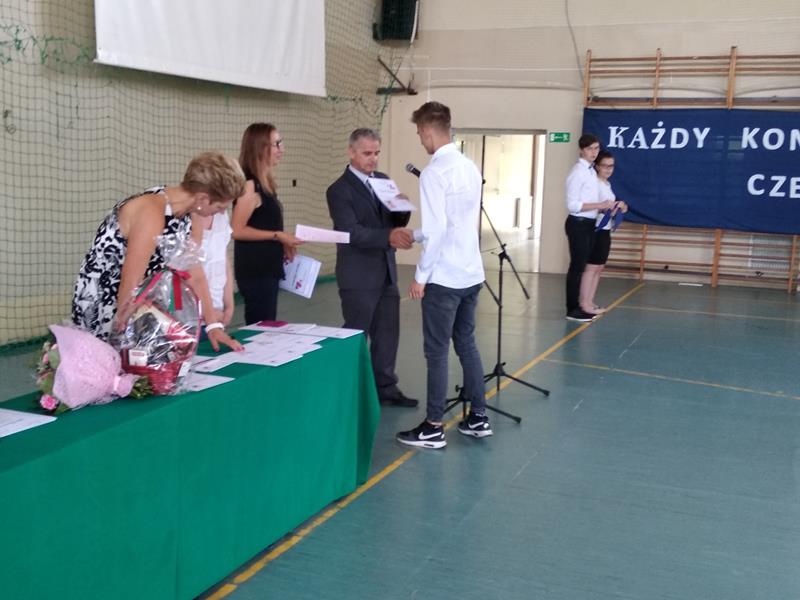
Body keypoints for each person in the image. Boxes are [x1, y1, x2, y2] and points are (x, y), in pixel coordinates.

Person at [71, 151, 245, 352]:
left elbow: (195, 275)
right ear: (203, 198)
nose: (222, 212)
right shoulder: (152, 211)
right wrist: (129, 338)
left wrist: (213, 326)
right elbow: (130, 285)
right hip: (106, 302)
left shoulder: (190, 217)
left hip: (139, 303)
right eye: (221, 206)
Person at [396, 101, 490, 449]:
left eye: (419, 134)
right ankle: (478, 417)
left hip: (444, 279)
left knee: (436, 352)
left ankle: (433, 426)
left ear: (428, 131)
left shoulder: (434, 172)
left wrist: (420, 276)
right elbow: (453, 224)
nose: (421, 140)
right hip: (470, 273)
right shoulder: (469, 166)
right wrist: (417, 235)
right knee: (466, 343)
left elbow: (437, 231)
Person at [326, 128, 418, 407]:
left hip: (386, 270)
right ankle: (350, 389)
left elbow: (393, 221)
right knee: (357, 334)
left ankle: (385, 386)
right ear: (351, 152)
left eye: (377, 152)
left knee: (388, 332)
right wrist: (388, 236)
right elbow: (350, 231)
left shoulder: (383, 180)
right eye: (367, 153)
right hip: (358, 274)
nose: (373, 158)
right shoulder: (339, 190)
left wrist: (402, 208)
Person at [232, 123, 304, 324]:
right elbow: (236, 230)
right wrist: (277, 235)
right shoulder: (250, 186)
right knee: (261, 327)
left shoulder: (266, 184)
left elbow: (263, 223)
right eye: (277, 144)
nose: (282, 149)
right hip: (256, 271)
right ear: (261, 147)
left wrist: (283, 241)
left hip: (268, 269)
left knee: (268, 325)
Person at [564, 133, 616, 322]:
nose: (593, 152)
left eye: (596, 148)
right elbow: (573, 205)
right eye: (589, 149)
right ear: (582, 150)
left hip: (589, 223)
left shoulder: (591, 172)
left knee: (582, 266)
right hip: (578, 223)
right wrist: (599, 205)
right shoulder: (578, 172)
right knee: (577, 268)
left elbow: (592, 201)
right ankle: (572, 309)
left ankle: (582, 305)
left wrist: (605, 207)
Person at [580, 150, 629, 314]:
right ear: (597, 166)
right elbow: (593, 206)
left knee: (599, 267)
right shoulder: (594, 184)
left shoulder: (607, 184)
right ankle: (584, 304)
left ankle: (590, 301)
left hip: (605, 229)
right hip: (595, 229)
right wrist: (610, 208)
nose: (608, 169)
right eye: (605, 166)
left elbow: (609, 208)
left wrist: (620, 207)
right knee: (591, 267)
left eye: (611, 166)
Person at [195, 210, 235, 328]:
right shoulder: (187, 219)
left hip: (218, 309)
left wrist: (229, 305)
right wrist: (208, 312)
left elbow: (224, 262)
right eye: (219, 205)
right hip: (191, 315)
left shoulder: (222, 215)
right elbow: (189, 273)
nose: (223, 209)